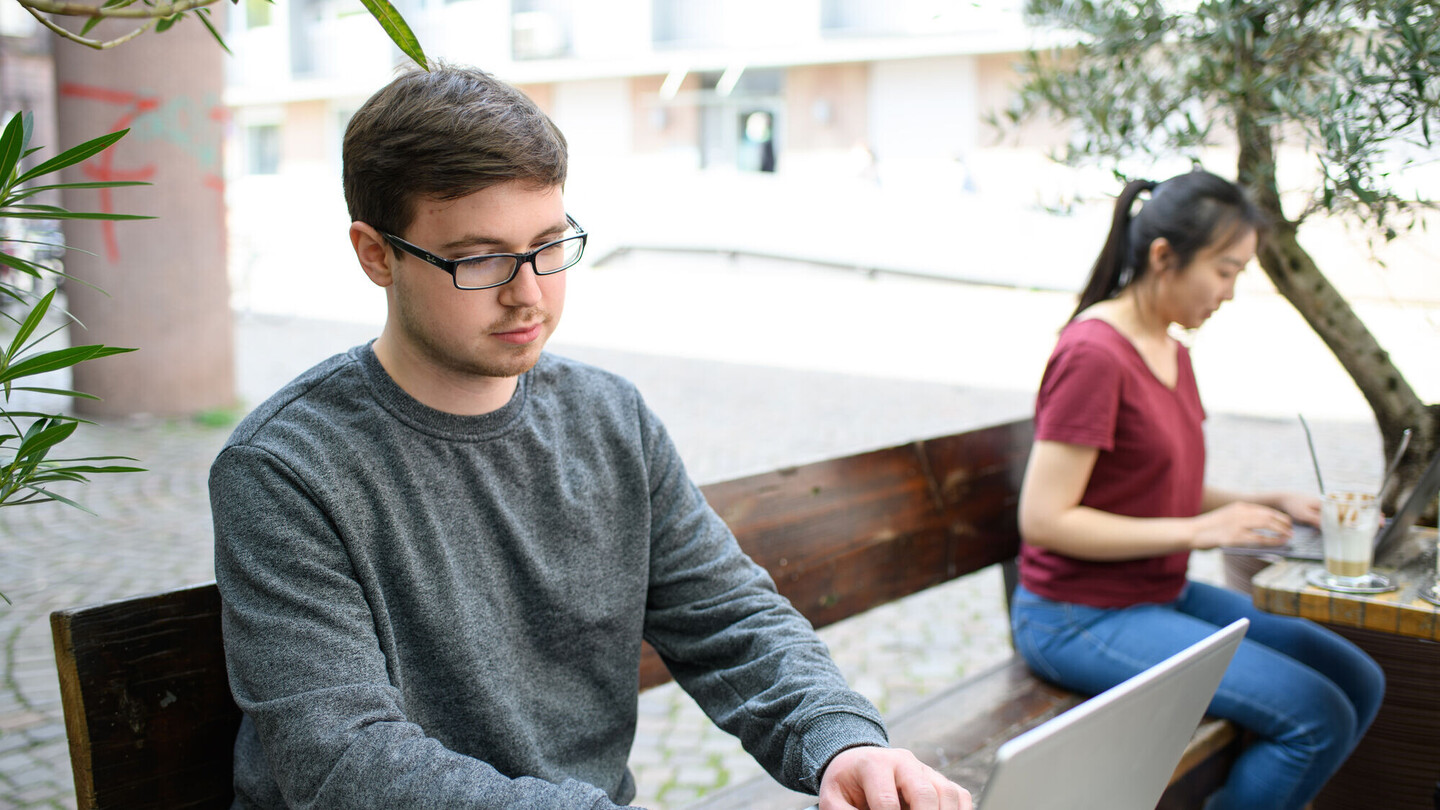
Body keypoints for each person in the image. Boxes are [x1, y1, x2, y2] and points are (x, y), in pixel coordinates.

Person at [209, 63, 969, 810]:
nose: (528, 293)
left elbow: (730, 617)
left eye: (548, 245)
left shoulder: (610, 418)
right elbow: (342, 759)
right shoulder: (284, 468)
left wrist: (844, 742)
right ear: (377, 254)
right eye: (480, 259)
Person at [1009, 169, 1385, 810]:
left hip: (1157, 592)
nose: (1230, 292)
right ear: (1164, 257)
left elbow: (1158, 483)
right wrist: (1201, 531)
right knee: (1314, 715)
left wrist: (1269, 501)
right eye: (1225, 270)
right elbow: (1044, 519)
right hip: (1076, 614)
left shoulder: (1171, 349)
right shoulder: (1095, 354)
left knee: (1357, 678)